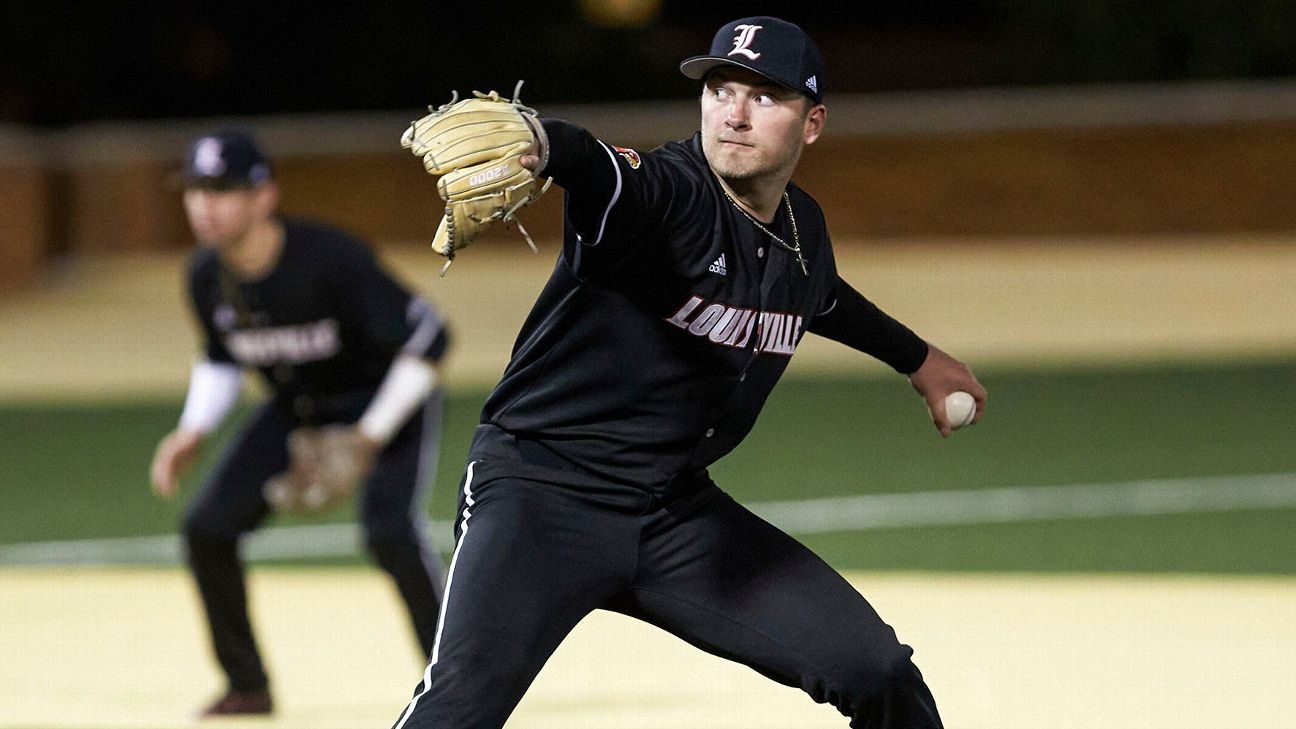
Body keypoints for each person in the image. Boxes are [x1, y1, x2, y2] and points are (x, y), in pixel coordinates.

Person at [392, 16, 985, 729]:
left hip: (674, 512)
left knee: (877, 669)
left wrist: (917, 358)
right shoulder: (666, 195)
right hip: (541, 494)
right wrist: (546, 143)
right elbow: (598, 166)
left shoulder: (801, 228)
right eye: (720, 89)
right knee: (457, 708)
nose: (732, 113)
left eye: (763, 97)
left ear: (814, 122)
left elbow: (821, 296)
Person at [148, 128, 451, 717]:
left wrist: (368, 437)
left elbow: (431, 338)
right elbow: (220, 355)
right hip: (298, 409)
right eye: (194, 189)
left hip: (383, 401)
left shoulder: (330, 259)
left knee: (389, 533)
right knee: (208, 528)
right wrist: (193, 429)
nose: (204, 204)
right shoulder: (205, 276)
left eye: (223, 189)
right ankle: (248, 684)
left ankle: (458, 680)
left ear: (264, 197)